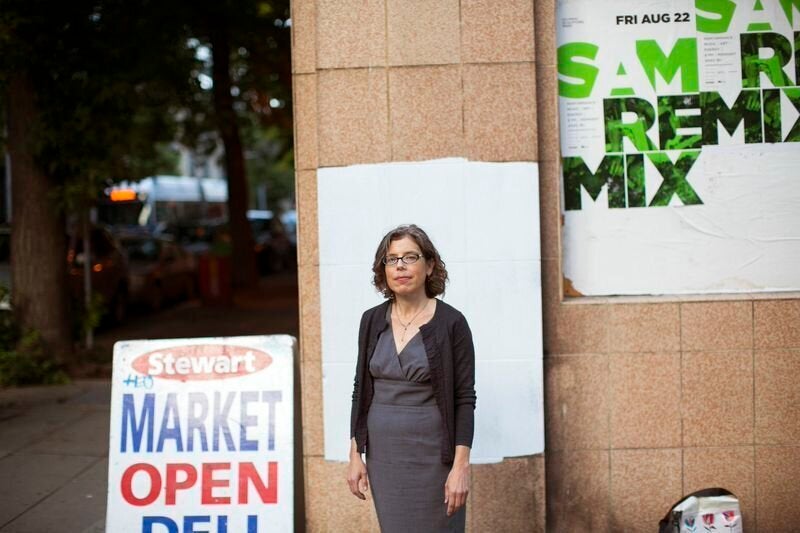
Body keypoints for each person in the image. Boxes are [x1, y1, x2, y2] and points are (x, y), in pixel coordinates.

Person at [347, 224, 477, 532]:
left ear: (430, 265)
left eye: (410, 257)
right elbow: (360, 391)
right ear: (384, 269)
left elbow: (464, 399)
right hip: (385, 458)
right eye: (392, 259)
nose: (401, 266)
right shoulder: (371, 320)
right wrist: (355, 454)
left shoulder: (452, 323)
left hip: (434, 458)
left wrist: (461, 467)